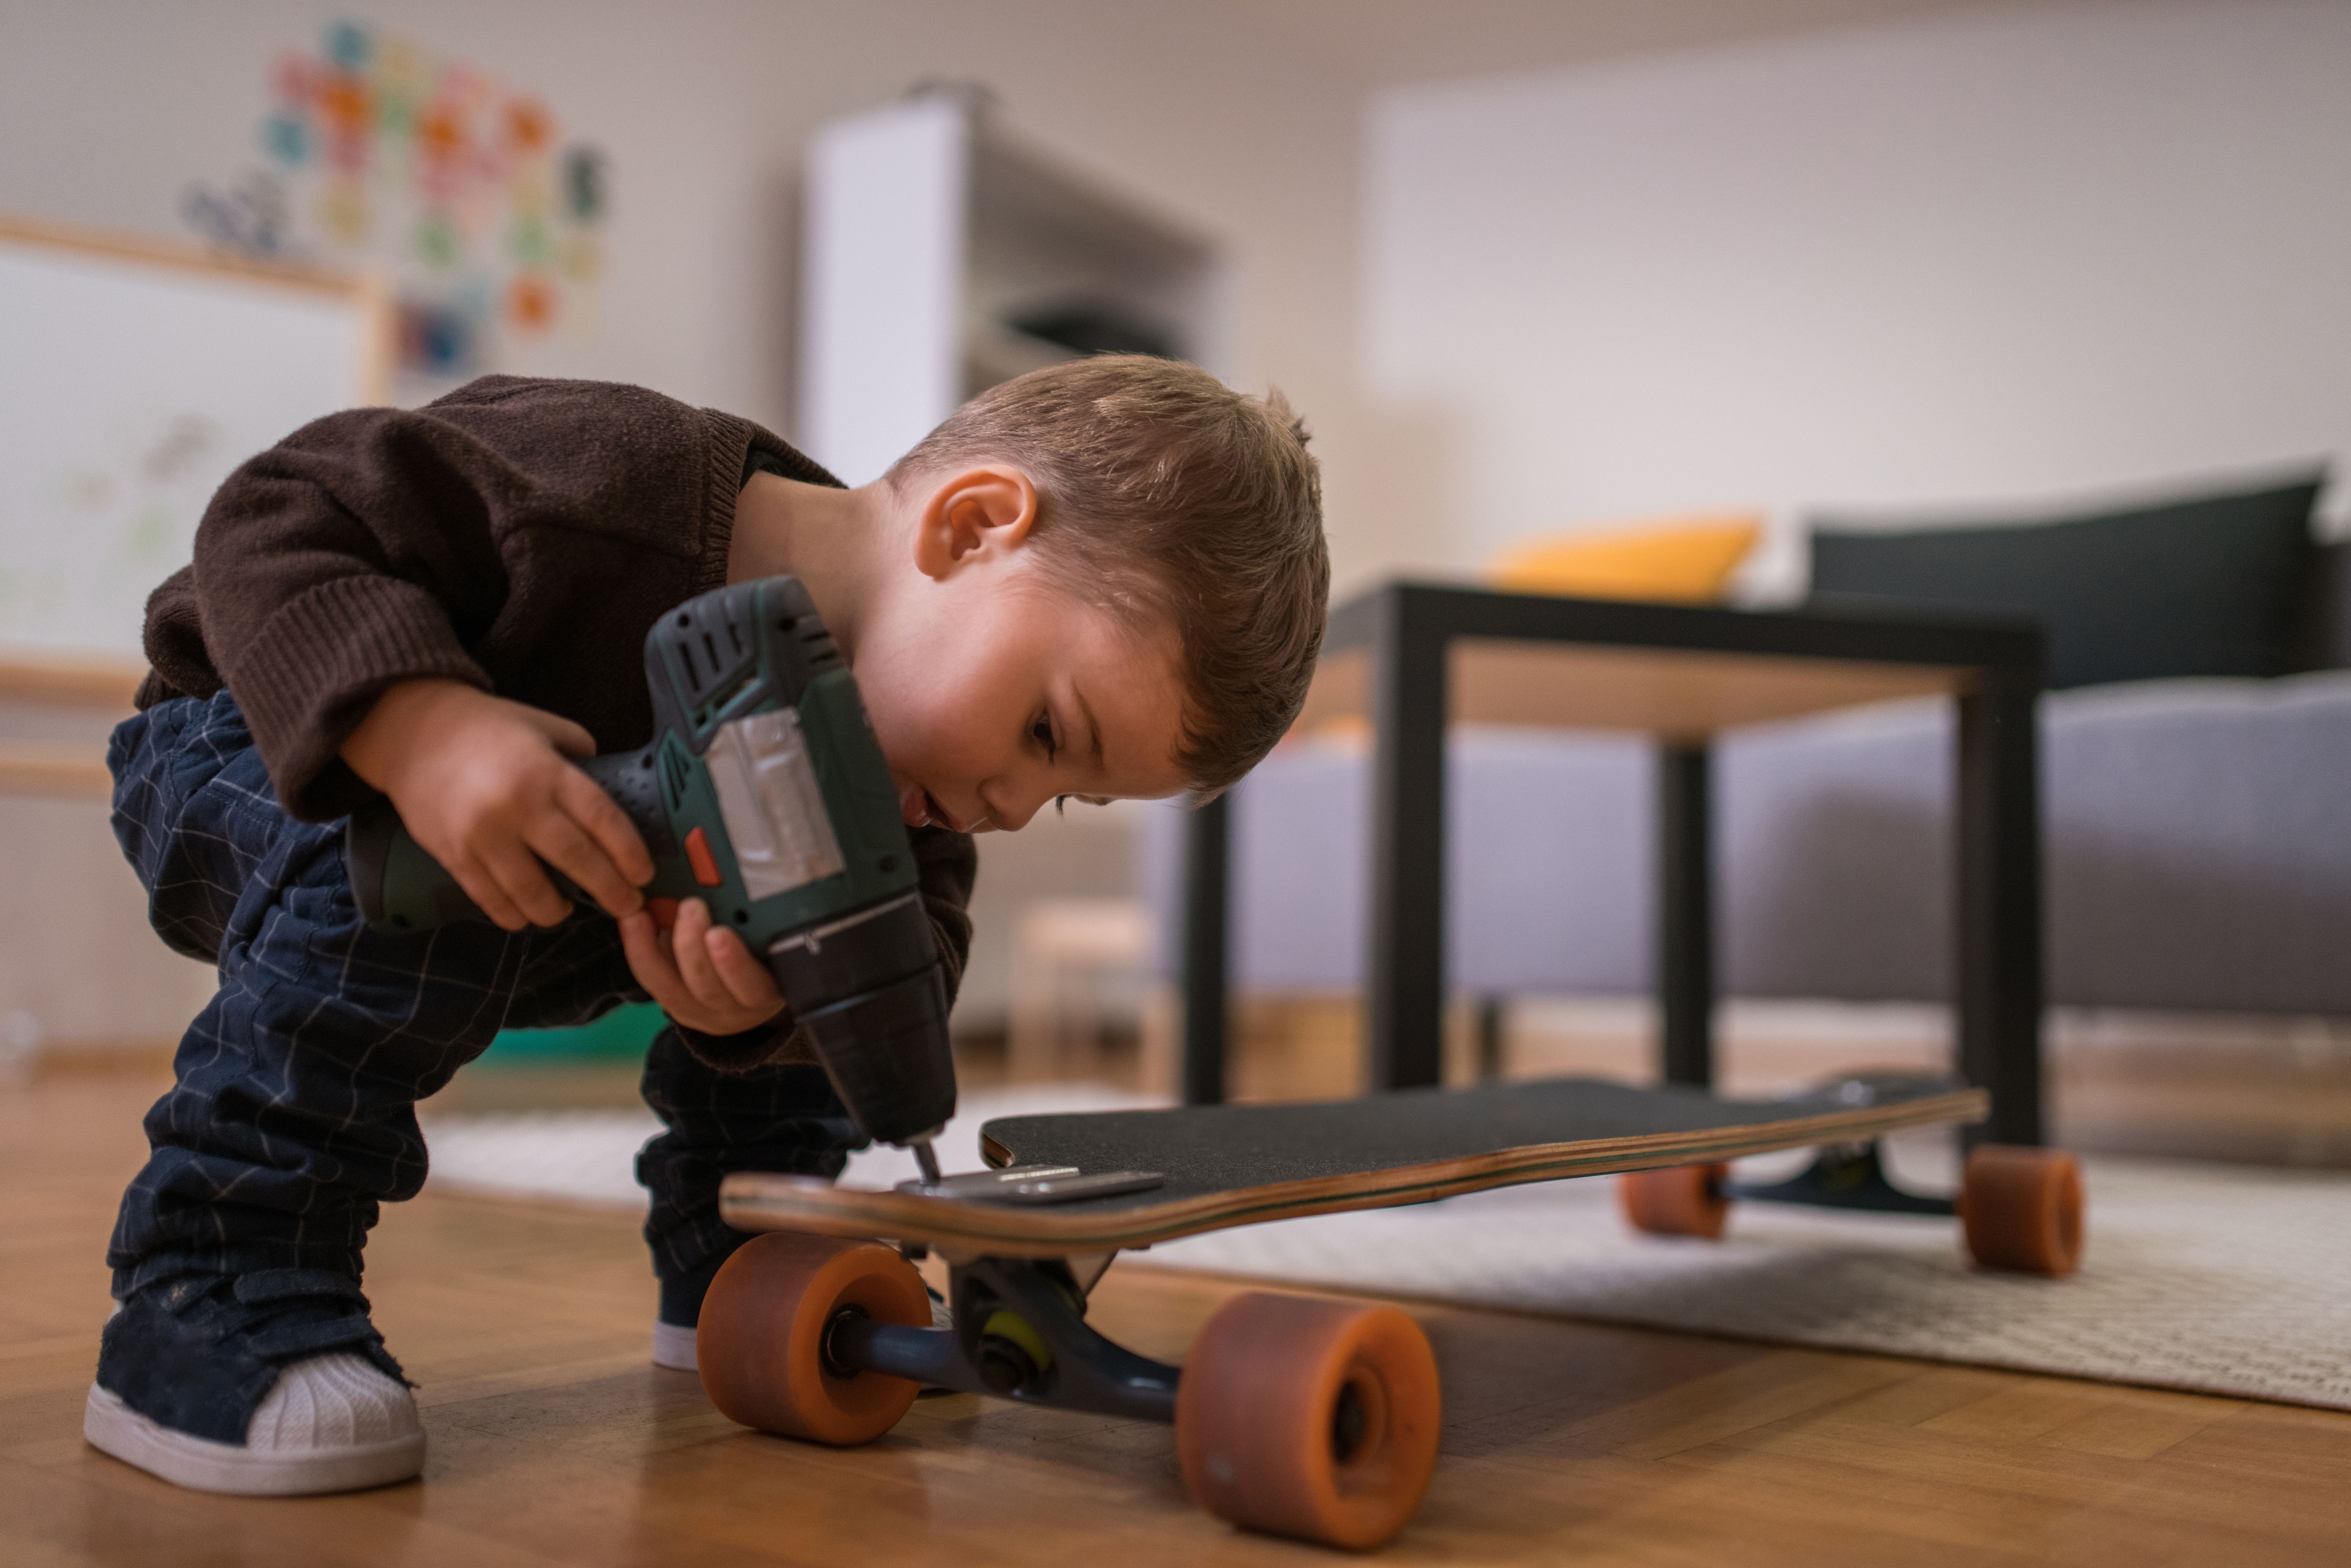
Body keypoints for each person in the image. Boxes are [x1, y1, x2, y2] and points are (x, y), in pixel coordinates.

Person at [85, 356, 1327, 1495]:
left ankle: (744, 1270)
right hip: (252, 756)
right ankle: (216, 1279)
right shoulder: (608, 480)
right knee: (421, 865)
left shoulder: (912, 775)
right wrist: (417, 728)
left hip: (553, 887)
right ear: (975, 527)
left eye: (1059, 797)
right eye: (1048, 736)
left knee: (840, 945)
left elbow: (911, 982)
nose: (1008, 805)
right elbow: (278, 511)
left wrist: (763, 1010)